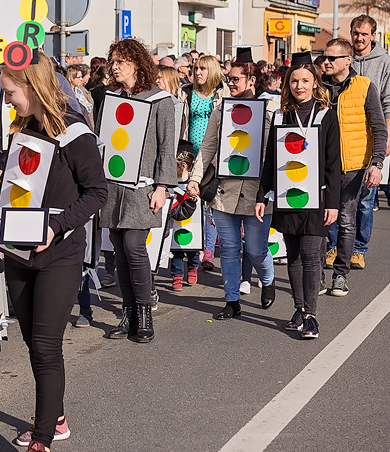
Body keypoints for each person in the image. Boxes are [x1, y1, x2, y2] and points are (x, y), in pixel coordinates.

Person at [0, 53, 104, 452]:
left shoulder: (75, 131)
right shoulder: (22, 130)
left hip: (59, 255)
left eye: (11, 92)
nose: (7, 100)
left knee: (46, 346)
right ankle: (56, 418)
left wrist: (56, 227)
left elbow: (97, 193)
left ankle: (41, 445)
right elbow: (11, 194)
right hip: (17, 253)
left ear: (32, 86)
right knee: (32, 342)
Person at [255, 55, 340, 340]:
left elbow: (333, 164)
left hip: (317, 198)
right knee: (293, 256)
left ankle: (311, 316)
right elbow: (270, 161)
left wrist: (333, 204)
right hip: (288, 196)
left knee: (311, 255)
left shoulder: (326, 115)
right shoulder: (280, 116)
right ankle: (299, 310)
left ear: (315, 83)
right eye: (294, 81)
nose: (299, 86)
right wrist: (261, 196)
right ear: (287, 84)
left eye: (305, 81)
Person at [102, 38, 175, 344]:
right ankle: (129, 314)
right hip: (113, 186)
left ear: (136, 63)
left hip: (142, 187)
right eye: (113, 62)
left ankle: (145, 314)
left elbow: (166, 148)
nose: (115, 67)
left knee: (134, 246)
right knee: (119, 250)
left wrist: (162, 187)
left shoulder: (160, 100)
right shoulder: (111, 97)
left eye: (121, 61)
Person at [191, 56, 276, 319]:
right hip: (224, 192)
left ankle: (268, 279)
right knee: (228, 249)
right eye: (229, 78)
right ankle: (231, 301)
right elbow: (208, 146)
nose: (230, 83)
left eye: (235, 79)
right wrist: (195, 178)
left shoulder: (271, 109)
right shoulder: (221, 110)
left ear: (252, 80)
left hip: (257, 193)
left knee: (255, 249)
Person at [319, 38, 386, 298]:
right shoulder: (317, 87)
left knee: (347, 221)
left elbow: (379, 128)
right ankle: (318, 276)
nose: (326, 62)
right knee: (318, 223)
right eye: (324, 57)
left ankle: (340, 275)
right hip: (319, 167)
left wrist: (376, 164)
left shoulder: (364, 86)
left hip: (353, 166)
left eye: (331, 58)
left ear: (348, 60)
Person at [347, 16, 390, 270]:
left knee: (366, 198)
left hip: (373, 135)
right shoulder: (344, 58)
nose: (359, 38)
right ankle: (335, 246)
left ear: (373, 36)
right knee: (340, 195)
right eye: (356, 33)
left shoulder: (385, 62)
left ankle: (358, 249)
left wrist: (387, 136)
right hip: (346, 134)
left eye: (364, 34)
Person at [187, 55, 223, 269]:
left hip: (213, 156)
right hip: (188, 154)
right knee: (192, 199)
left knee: (209, 202)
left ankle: (208, 249)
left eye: (202, 69)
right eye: (196, 68)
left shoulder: (222, 94)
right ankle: (192, 246)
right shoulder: (186, 93)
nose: (198, 72)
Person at [167, 146, 200, 290]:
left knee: (193, 248)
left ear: (182, 166)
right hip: (175, 221)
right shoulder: (170, 182)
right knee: (176, 250)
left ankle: (193, 267)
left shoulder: (193, 182)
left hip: (191, 222)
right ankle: (177, 276)